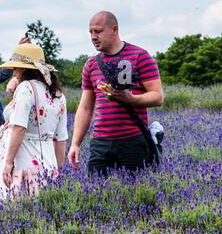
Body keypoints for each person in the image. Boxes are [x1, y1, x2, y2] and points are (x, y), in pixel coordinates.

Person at [68, 11, 164, 176]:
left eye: (98, 31)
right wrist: (75, 143)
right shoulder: (91, 64)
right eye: (90, 32)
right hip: (100, 143)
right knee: (96, 194)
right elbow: (85, 108)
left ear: (114, 29)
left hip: (133, 141)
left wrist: (131, 99)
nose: (93, 36)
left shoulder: (140, 56)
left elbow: (158, 96)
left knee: (135, 195)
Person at [0, 42, 68, 203]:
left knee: (15, 209)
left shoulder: (26, 88)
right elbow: (61, 139)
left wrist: (8, 163)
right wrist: (57, 169)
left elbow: (19, 128)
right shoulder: (58, 95)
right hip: (48, 159)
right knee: (42, 209)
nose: (14, 72)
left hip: (23, 158)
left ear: (23, 69)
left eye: (16, 68)